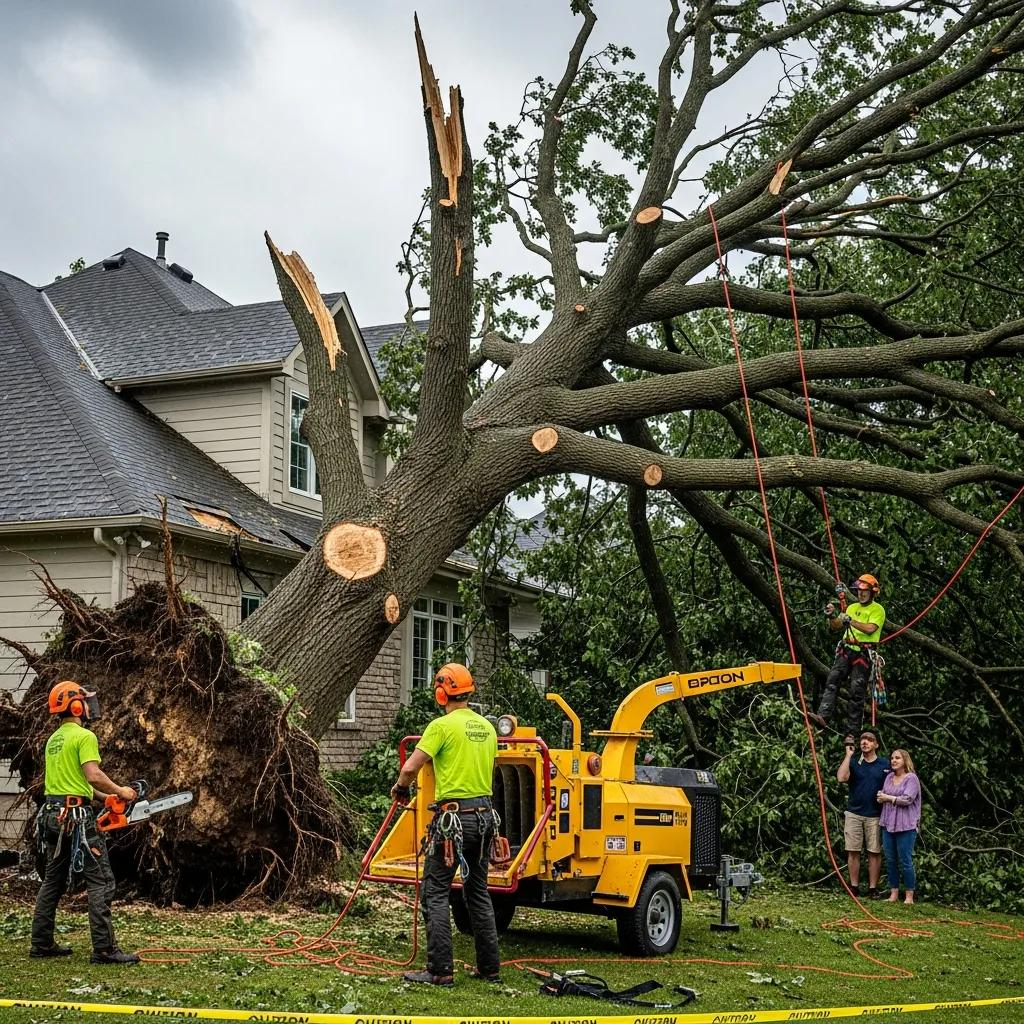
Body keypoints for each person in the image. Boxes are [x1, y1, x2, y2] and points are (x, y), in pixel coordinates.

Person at [390, 663, 500, 987]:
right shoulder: (488, 729)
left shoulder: (441, 726)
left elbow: (410, 767)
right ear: (468, 691)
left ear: (441, 693)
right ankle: (490, 969)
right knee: (478, 892)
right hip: (484, 819)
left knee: (435, 892)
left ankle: (439, 971)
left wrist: (400, 788)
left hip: (454, 821)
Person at [30, 681, 141, 964]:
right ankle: (104, 949)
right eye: (83, 701)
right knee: (101, 881)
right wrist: (121, 791)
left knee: (53, 880)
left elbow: (75, 784)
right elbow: (91, 774)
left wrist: (105, 799)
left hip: (53, 816)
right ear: (76, 706)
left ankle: (41, 943)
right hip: (77, 819)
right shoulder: (83, 736)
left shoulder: (53, 740)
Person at [809, 573, 886, 737]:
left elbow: (870, 628)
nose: (861, 593)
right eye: (859, 590)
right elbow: (836, 626)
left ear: (872, 592)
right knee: (832, 681)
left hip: (863, 654)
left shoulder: (877, 609)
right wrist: (831, 615)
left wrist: (850, 620)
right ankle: (823, 716)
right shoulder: (852, 607)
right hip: (846, 649)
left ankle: (852, 732)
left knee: (856, 692)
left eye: (864, 591)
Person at [836, 727, 890, 899]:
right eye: (862, 739)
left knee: (874, 852)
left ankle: (873, 888)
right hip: (854, 813)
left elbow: (894, 784)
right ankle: (854, 886)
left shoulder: (884, 765)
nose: (864, 742)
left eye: (869, 739)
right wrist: (848, 755)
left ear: (876, 744)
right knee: (853, 850)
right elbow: (841, 778)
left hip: (875, 814)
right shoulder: (854, 762)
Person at [878, 747, 921, 904]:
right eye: (892, 758)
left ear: (905, 761)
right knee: (890, 860)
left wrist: (887, 797)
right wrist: (881, 797)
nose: (894, 760)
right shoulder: (889, 777)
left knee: (905, 860)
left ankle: (909, 896)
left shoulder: (911, 779)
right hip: (888, 823)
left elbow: (907, 799)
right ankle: (893, 893)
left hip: (906, 825)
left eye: (897, 758)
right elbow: (884, 794)